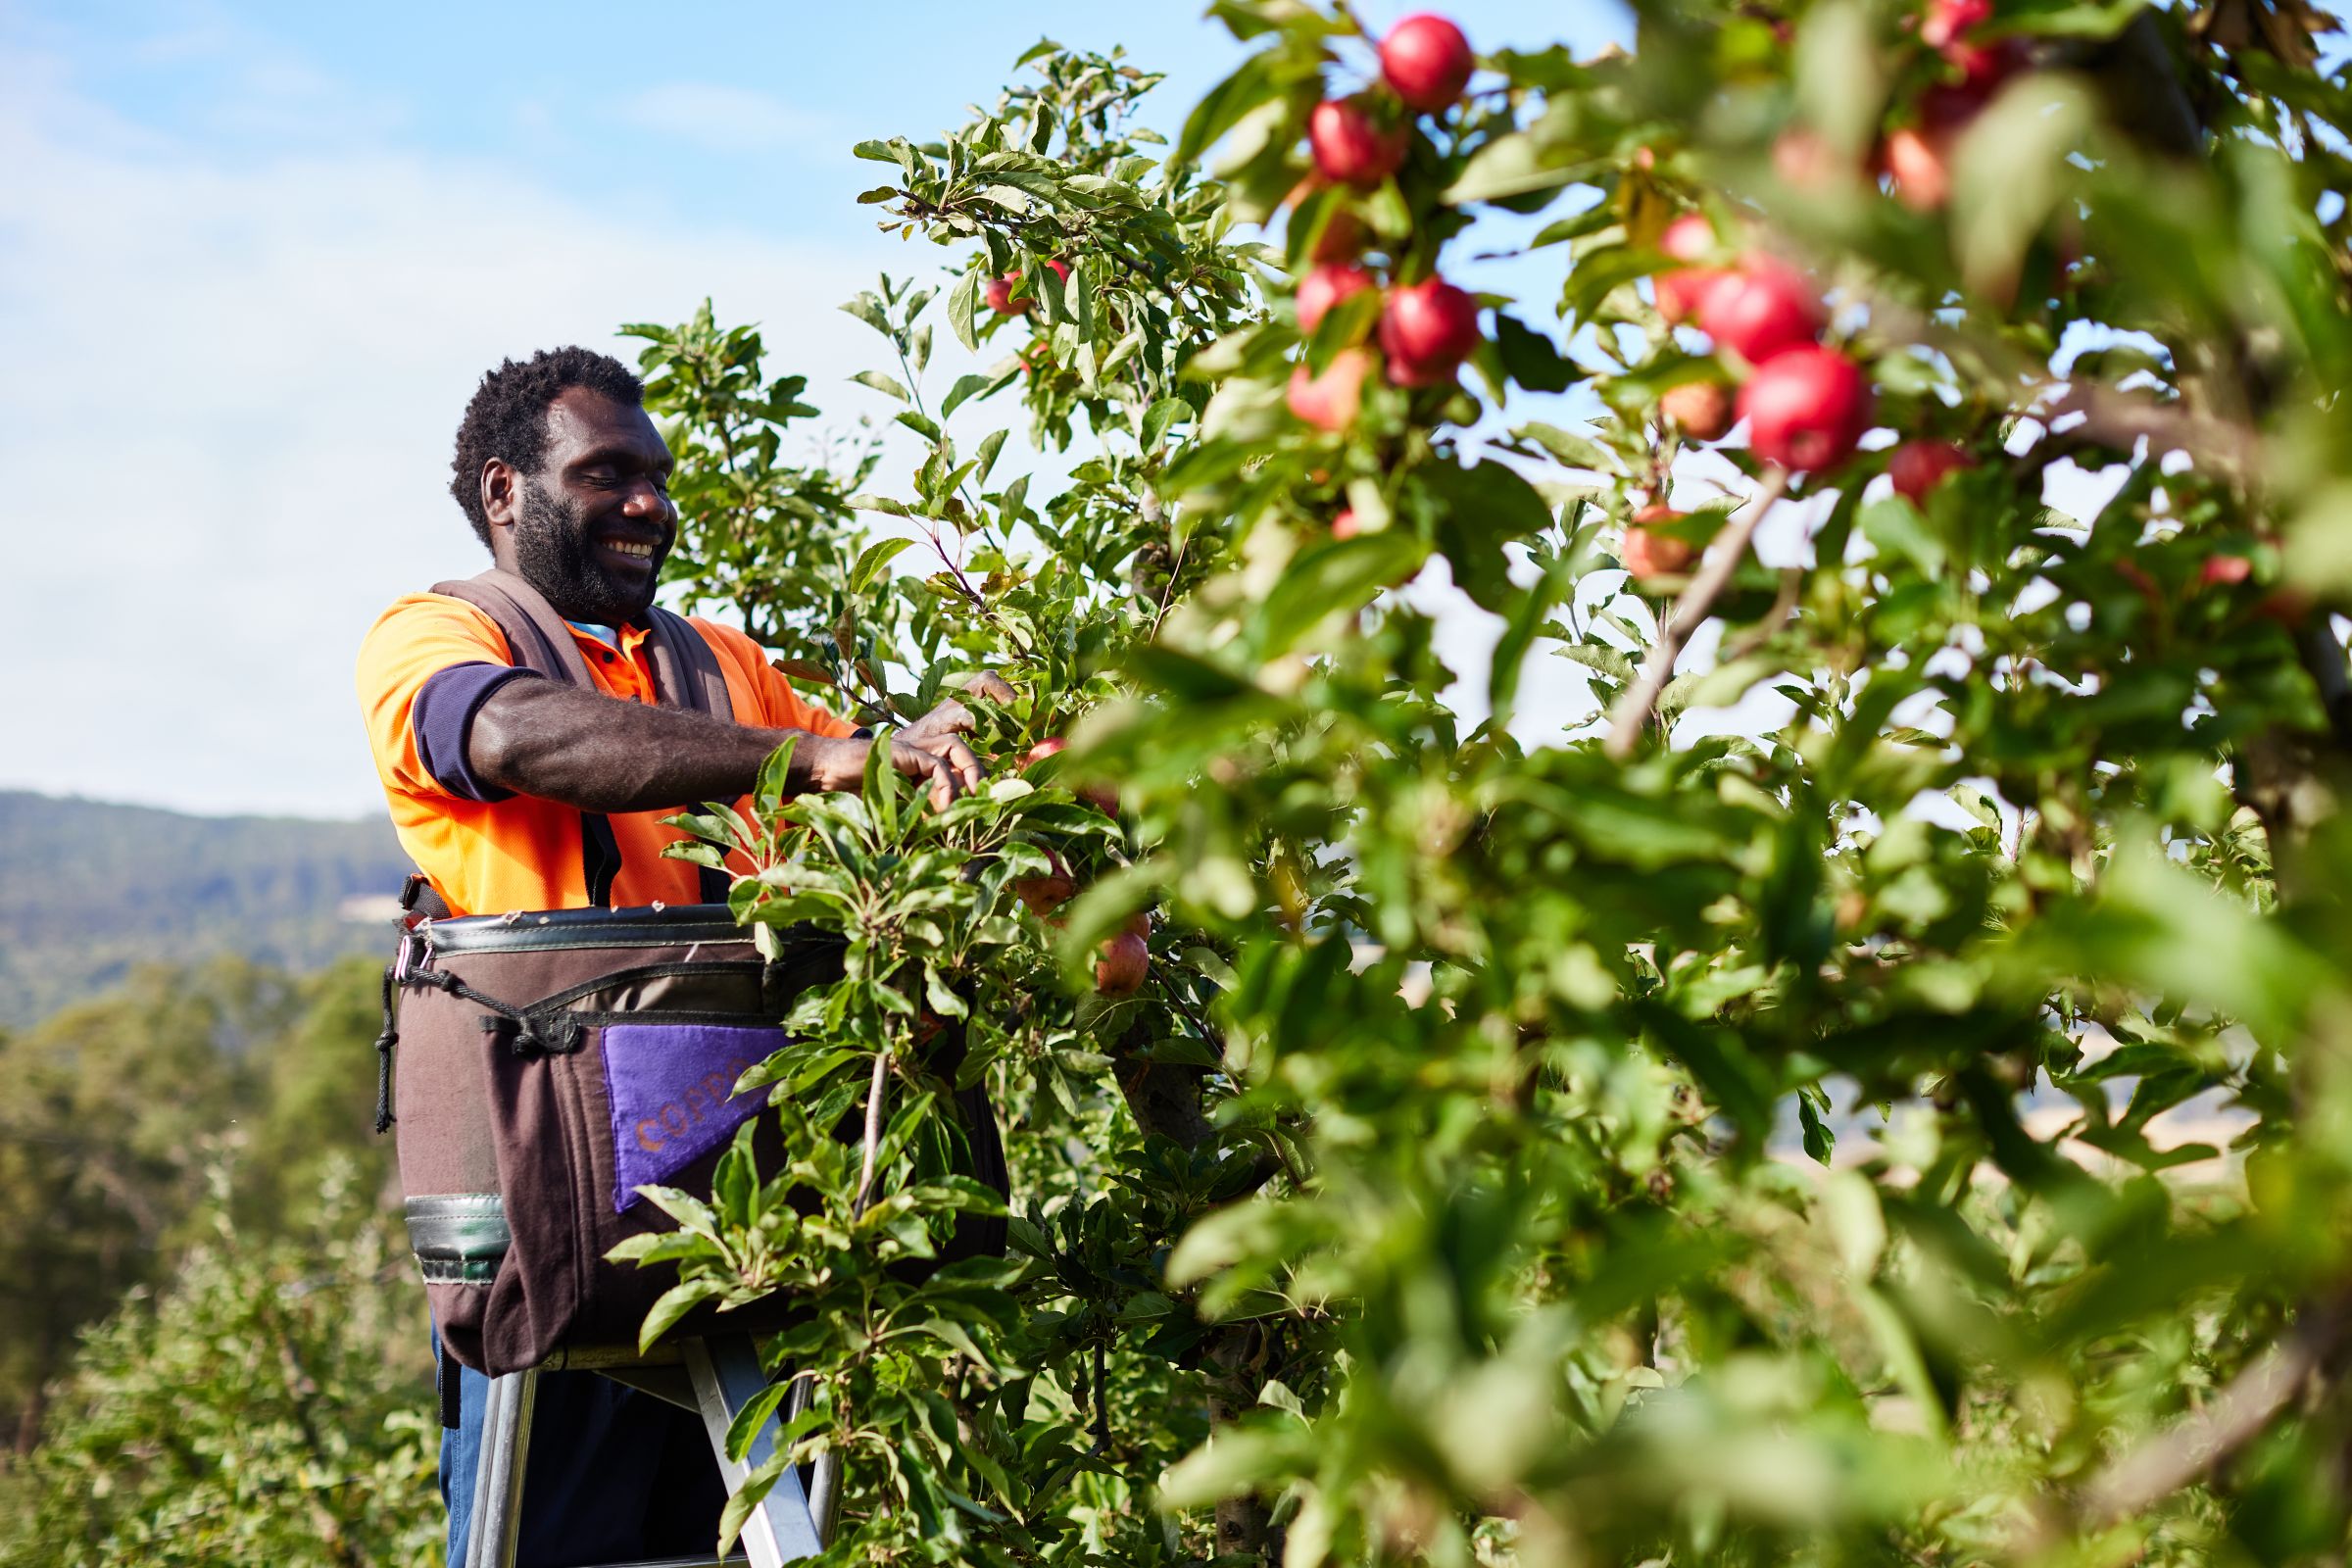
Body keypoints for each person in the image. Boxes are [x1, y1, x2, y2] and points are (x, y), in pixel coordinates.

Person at [355, 346, 1004, 1565]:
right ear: (507, 492)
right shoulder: (435, 635)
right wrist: (803, 760)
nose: (649, 501)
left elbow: (877, 777)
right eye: (607, 474)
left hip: (745, 1215)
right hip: (553, 1222)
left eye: (655, 475)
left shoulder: (722, 663)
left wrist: (959, 741)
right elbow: (513, 734)